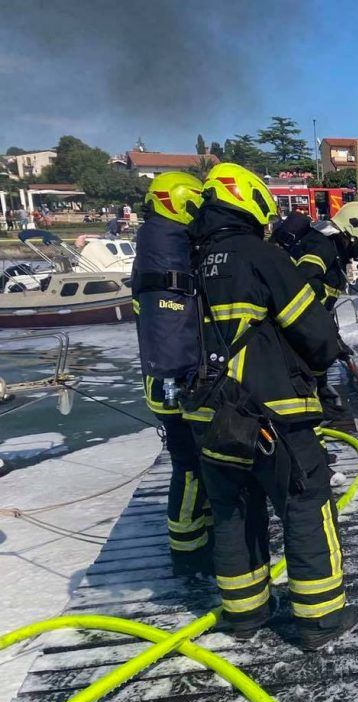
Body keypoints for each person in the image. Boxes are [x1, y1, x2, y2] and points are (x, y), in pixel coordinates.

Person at [184, 162, 354, 650]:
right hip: (270, 413)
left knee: (233, 509)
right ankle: (321, 618)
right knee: (306, 501)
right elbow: (315, 333)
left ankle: (245, 613)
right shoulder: (261, 256)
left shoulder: (190, 261)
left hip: (206, 415)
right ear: (251, 202)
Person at [131, 172, 213, 575]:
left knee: (195, 460)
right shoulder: (168, 247)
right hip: (173, 382)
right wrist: (184, 385)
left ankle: (199, 530)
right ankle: (189, 550)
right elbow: (172, 330)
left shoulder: (157, 243)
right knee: (190, 463)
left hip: (167, 378)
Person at [290, 201, 358, 431]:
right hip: (298, 326)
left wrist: (331, 334)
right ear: (354, 230)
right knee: (307, 369)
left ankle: (325, 407)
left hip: (310, 323)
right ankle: (312, 426)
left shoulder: (332, 247)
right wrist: (324, 329)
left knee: (321, 360)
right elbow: (304, 281)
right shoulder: (322, 245)